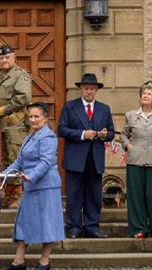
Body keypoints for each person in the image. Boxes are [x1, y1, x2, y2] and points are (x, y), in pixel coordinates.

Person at [0, 102, 64, 270]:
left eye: (36, 116)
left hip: (46, 186)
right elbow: (19, 162)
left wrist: (30, 175)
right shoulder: (30, 136)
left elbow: (46, 161)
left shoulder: (48, 137)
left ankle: (44, 261)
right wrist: (3, 174)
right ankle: (18, 261)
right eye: (30, 116)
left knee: (47, 224)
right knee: (23, 222)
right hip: (31, 187)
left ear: (45, 118)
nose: (33, 120)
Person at [57, 73, 114, 239]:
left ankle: (92, 227)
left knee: (94, 194)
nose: (89, 91)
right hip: (75, 158)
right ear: (80, 89)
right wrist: (83, 134)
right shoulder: (70, 106)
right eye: (86, 88)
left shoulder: (105, 108)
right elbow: (62, 129)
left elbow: (111, 132)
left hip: (95, 158)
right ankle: (74, 227)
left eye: (92, 89)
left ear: (96, 90)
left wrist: (104, 134)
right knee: (74, 194)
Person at [120, 81, 152, 239]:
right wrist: (128, 145)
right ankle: (139, 229)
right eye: (143, 93)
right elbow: (123, 134)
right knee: (136, 196)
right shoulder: (131, 115)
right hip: (134, 160)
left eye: (149, 94)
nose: (145, 95)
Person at [0, 44, 31, 208]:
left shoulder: (20, 76)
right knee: (6, 160)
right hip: (3, 125)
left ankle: (19, 195)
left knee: (16, 158)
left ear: (14, 58)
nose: (4, 60)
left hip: (16, 125)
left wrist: (4, 110)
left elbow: (24, 98)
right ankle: (9, 194)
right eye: (1, 58)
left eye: (7, 57)